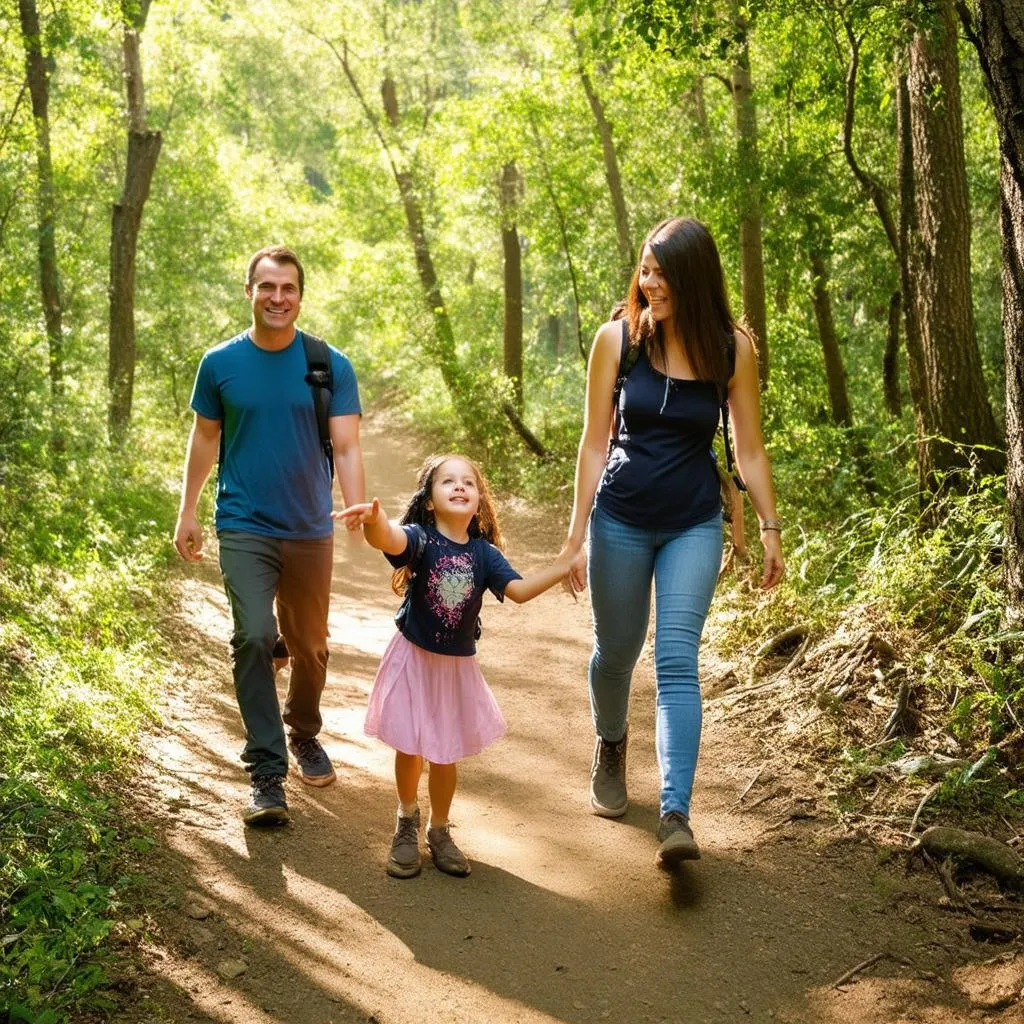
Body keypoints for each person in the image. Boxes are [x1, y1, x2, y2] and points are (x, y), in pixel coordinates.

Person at [561, 217, 785, 869]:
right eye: (644, 269)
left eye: (659, 271)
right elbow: (594, 444)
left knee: (676, 659)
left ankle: (675, 812)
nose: (647, 281)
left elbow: (748, 448)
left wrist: (770, 526)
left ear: (691, 276)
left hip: (692, 521)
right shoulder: (618, 341)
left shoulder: (731, 347)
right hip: (620, 520)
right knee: (616, 651)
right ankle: (610, 742)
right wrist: (576, 536)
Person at [173, 245, 365, 826]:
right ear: (250, 291)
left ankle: (302, 731)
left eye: (288, 288)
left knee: (310, 647)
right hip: (243, 523)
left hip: (308, 526)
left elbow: (348, 445)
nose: (277, 297)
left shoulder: (329, 364)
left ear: (300, 296)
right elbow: (205, 439)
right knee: (253, 635)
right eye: (267, 287)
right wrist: (188, 510)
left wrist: (358, 508)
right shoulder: (220, 363)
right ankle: (266, 771)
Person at [337, 454, 571, 879]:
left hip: (455, 670)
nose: (459, 486)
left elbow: (517, 591)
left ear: (479, 501)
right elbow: (388, 538)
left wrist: (563, 567)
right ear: (429, 500)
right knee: (409, 746)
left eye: (468, 482)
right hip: (413, 660)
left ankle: (439, 829)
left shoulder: (485, 554)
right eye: (448, 481)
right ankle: (406, 819)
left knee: (444, 754)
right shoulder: (420, 539)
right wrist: (374, 520)